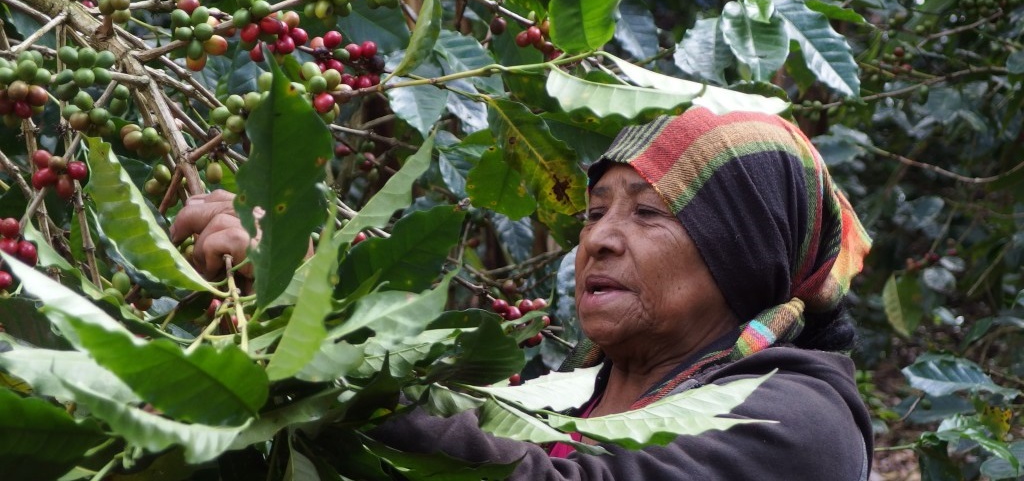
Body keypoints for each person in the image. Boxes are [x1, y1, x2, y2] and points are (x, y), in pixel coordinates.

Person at [170, 107, 874, 480]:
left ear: (746, 249)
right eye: (595, 212)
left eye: (649, 212)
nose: (599, 240)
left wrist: (314, 323)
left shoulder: (800, 422)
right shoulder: (559, 395)